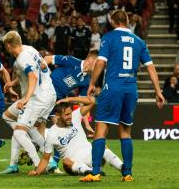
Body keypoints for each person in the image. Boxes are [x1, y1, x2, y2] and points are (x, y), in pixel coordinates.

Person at [80, 10, 165, 182]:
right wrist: (158, 91)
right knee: (125, 131)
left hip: (113, 87)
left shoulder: (109, 38)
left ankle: (95, 172)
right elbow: (150, 67)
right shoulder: (139, 41)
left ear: (112, 22)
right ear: (126, 21)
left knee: (101, 129)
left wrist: (91, 84)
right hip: (131, 89)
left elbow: (100, 62)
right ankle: (127, 173)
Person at [2, 31, 56, 171]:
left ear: (8, 46)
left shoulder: (21, 58)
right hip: (49, 93)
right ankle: (49, 161)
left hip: (37, 98)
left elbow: (33, 77)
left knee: (19, 132)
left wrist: (25, 98)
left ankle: (40, 165)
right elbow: (43, 66)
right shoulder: (30, 49)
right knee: (8, 116)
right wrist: (14, 83)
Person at [28, 99, 123, 176]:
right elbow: (45, 158)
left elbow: (92, 101)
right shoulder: (52, 134)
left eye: (70, 113)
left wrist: (69, 99)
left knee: (102, 145)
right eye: (66, 115)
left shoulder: (76, 115)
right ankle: (90, 172)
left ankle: (123, 168)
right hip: (75, 164)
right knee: (66, 162)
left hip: (92, 156)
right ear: (57, 116)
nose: (70, 117)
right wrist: (37, 172)